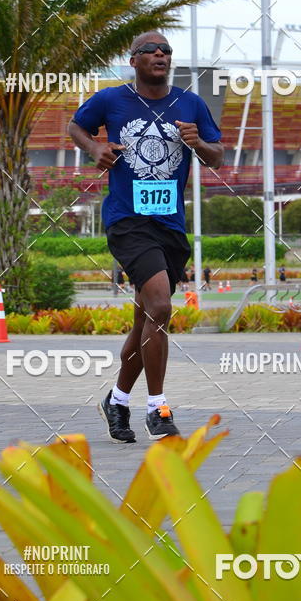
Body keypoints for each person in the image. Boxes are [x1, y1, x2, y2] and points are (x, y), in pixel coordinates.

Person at [68, 31, 223, 442]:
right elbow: (76, 126)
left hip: (170, 226)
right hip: (128, 221)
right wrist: (94, 149)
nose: (160, 55)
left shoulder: (190, 103)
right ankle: (158, 408)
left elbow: (218, 155)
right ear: (133, 59)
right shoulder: (110, 99)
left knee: (145, 320)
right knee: (159, 304)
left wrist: (198, 144)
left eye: (166, 50)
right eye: (150, 50)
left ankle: (117, 401)